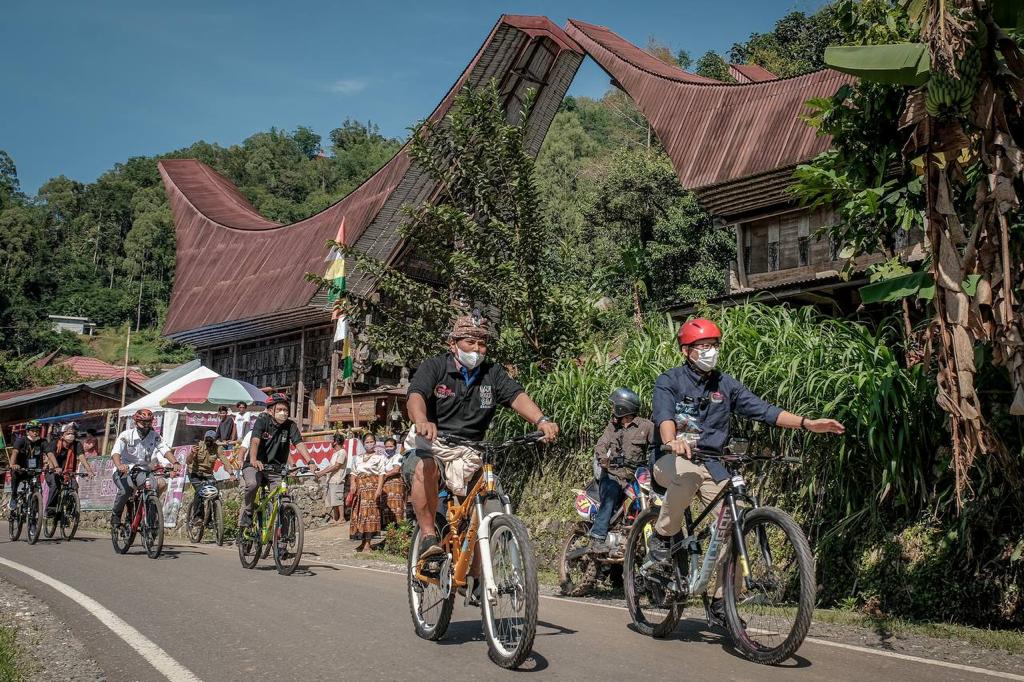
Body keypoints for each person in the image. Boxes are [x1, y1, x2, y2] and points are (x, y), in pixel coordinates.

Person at [648, 318, 845, 626]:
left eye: (714, 345)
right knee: (686, 478)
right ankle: (661, 538)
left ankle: (720, 601)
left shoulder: (725, 385)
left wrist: (808, 423)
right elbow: (664, 417)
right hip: (671, 459)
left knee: (735, 518)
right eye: (703, 346)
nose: (711, 352)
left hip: (712, 463)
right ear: (687, 351)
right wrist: (672, 441)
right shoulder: (669, 380)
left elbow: (764, 410)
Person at [403, 312, 559, 560]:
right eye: (470, 342)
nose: (477, 349)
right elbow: (416, 396)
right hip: (435, 443)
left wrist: (541, 420)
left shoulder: (492, 373)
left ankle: (480, 575)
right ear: (453, 344)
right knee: (424, 467)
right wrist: (422, 420)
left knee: (487, 502)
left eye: (482, 343)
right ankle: (428, 536)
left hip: (473, 450)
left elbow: (515, 395)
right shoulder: (434, 366)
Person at [587, 388, 654, 554]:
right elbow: (601, 444)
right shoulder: (612, 426)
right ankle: (597, 536)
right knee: (610, 495)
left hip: (637, 478)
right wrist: (603, 458)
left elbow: (656, 447)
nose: (612, 408)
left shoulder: (646, 426)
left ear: (623, 407)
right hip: (613, 476)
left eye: (614, 405)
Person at [239, 393, 315, 528]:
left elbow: (299, 444)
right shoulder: (262, 420)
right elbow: (255, 441)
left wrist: (310, 462)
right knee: (251, 484)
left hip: (276, 468)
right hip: (255, 465)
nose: (283, 413)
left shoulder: (290, 425)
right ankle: (248, 512)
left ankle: (281, 542)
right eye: (279, 410)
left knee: (283, 501)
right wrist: (254, 460)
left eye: (285, 410)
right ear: (270, 411)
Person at [110, 409, 181, 529]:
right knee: (125, 491)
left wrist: (175, 462)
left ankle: (151, 525)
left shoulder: (155, 436)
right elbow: (116, 452)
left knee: (152, 489)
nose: (146, 426)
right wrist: (119, 465)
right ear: (136, 422)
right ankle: (115, 515)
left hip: (143, 471)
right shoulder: (126, 435)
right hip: (125, 470)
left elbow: (165, 450)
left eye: (149, 423)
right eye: (143, 423)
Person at [44, 423, 94, 516]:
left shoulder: (77, 444)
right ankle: (50, 509)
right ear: (62, 435)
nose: (71, 436)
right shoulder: (55, 442)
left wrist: (89, 470)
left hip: (68, 472)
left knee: (74, 486)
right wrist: (56, 467)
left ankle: (69, 511)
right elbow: (50, 454)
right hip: (52, 471)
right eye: (68, 433)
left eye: (73, 434)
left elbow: (81, 456)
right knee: (55, 486)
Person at [186, 430, 234, 523]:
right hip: (194, 472)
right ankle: (197, 517)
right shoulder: (198, 446)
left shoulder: (218, 448)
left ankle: (212, 519)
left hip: (207, 474)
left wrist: (231, 474)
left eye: (211, 440)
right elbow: (188, 461)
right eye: (207, 439)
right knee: (200, 491)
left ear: (214, 440)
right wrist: (192, 453)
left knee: (215, 492)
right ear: (204, 439)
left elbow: (225, 461)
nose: (208, 441)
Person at [349, 433, 387, 551]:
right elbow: (353, 473)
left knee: (370, 515)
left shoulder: (380, 457)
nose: (369, 444)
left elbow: (381, 474)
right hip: (360, 489)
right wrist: (353, 484)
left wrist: (379, 489)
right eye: (367, 442)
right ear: (363, 444)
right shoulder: (358, 458)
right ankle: (362, 541)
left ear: (375, 443)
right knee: (360, 515)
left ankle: (368, 543)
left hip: (372, 489)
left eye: (372, 442)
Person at [7, 420, 48, 518]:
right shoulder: (21, 440)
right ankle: (13, 496)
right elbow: (15, 452)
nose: (36, 432)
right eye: (33, 430)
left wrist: (49, 465)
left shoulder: (43, 441)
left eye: (37, 430)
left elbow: (49, 454)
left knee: (37, 490)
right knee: (15, 476)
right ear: (27, 431)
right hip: (21, 469)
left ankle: (33, 515)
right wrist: (13, 464)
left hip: (34, 471)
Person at [315, 433, 349, 524]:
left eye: (333, 441)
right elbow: (330, 466)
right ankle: (335, 518)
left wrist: (322, 472)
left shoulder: (342, 452)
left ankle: (342, 518)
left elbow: (337, 466)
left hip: (338, 479)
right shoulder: (335, 453)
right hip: (331, 479)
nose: (331, 443)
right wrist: (321, 473)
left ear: (336, 442)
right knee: (332, 500)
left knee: (338, 499)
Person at [379, 437, 406, 529]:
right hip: (386, 484)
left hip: (395, 483)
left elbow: (396, 470)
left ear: (395, 447)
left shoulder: (398, 456)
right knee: (387, 506)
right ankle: (390, 528)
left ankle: (400, 528)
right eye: (387, 446)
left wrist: (384, 475)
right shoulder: (383, 458)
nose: (388, 448)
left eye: (391, 446)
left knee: (397, 506)